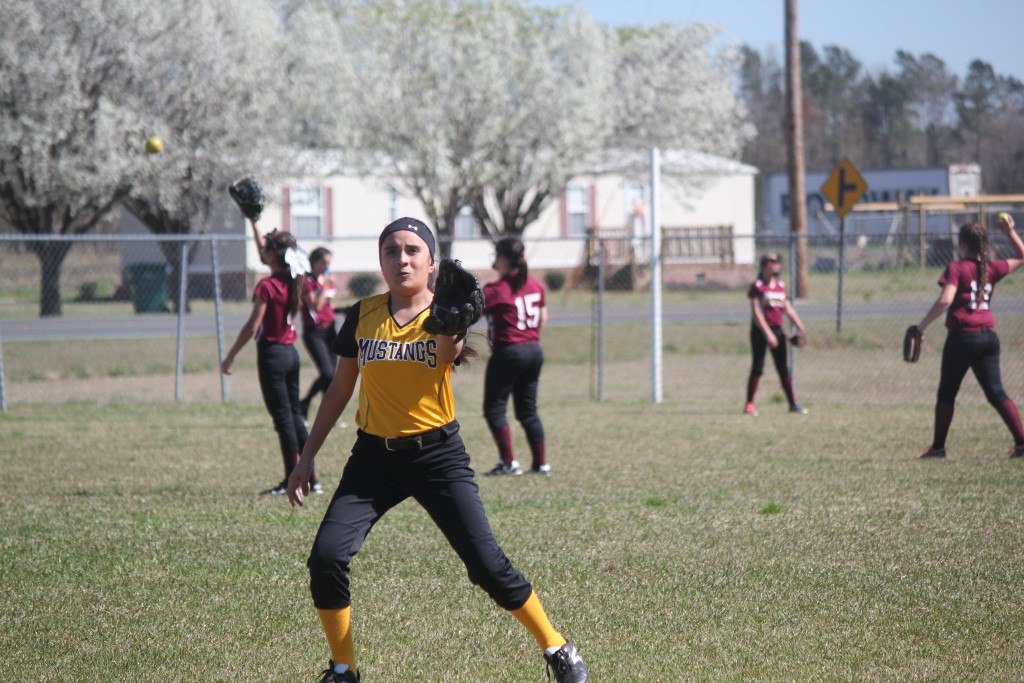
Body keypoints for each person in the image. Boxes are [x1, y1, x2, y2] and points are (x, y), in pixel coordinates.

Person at [286, 218, 589, 683]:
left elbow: (447, 354)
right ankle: (343, 669)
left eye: (412, 250)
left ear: (431, 263)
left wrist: (452, 320)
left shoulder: (446, 311)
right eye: (391, 250)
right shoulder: (364, 314)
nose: (401, 259)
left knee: (487, 566)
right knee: (327, 556)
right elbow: (340, 388)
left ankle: (558, 648)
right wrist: (306, 458)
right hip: (373, 459)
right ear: (380, 261)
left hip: (437, 456)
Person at [221, 220, 321, 495]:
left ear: (273, 256)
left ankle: (293, 478)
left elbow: (253, 325)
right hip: (291, 353)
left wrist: (229, 356)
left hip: (272, 355)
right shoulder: (295, 280)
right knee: (295, 416)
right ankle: (313, 477)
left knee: (283, 419)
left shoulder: (267, 286)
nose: (262, 251)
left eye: (266, 249)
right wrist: (252, 221)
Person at [913, 216, 1024, 459]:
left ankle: (938, 448)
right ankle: (1022, 443)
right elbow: (1022, 256)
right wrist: (1010, 233)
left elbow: (945, 301)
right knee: (996, 392)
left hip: (962, 338)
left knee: (946, 394)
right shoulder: (992, 268)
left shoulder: (957, 268)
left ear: (962, 244)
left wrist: (921, 327)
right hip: (987, 337)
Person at [481, 237, 550, 476]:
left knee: (494, 410)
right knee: (528, 410)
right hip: (534, 349)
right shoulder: (535, 285)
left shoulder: (495, 290)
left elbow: (471, 312)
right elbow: (543, 317)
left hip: (509, 351)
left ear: (503, 258)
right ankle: (541, 464)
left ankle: (509, 462)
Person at [745, 252, 808, 416]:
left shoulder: (780, 285)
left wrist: (800, 327)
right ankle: (749, 405)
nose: (776, 264)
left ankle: (793, 404)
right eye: (773, 261)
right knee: (757, 367)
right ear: (765, 265)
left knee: (783, 368)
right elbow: (756, 313)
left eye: (778, 261)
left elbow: (787, 308)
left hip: (777, 329)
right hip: (760, 330)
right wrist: (767, 334)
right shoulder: (758, 286)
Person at [300, 247, 338, 420]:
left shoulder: (327, 280)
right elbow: (317, 306)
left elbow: (328, 306)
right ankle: (305, 402)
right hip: (314, 332)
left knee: (332, 377)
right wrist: (323, 285)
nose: (326, 266)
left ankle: (328, 417)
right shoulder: (306, 281)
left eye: (328, 263)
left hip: (330, 329)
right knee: (327, 373)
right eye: (323, 263)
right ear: (314, 263)